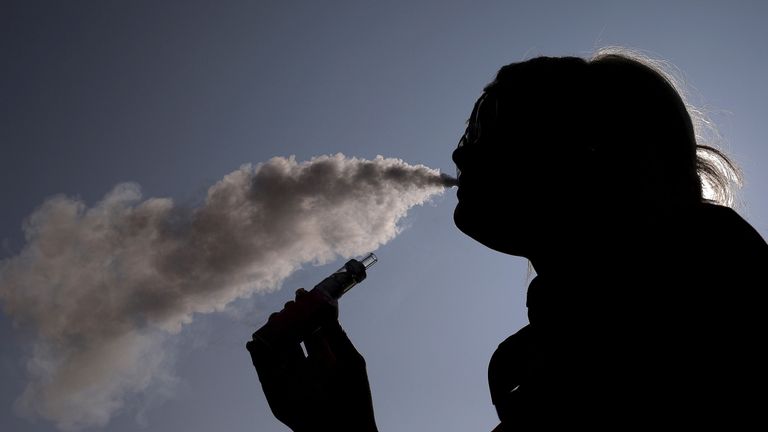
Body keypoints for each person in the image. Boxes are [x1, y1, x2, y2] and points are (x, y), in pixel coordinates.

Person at [246, 48, 768, 430]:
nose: (461, 156)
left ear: (589, 156)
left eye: (488, 126)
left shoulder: (702, 311)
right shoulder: (560, 346)